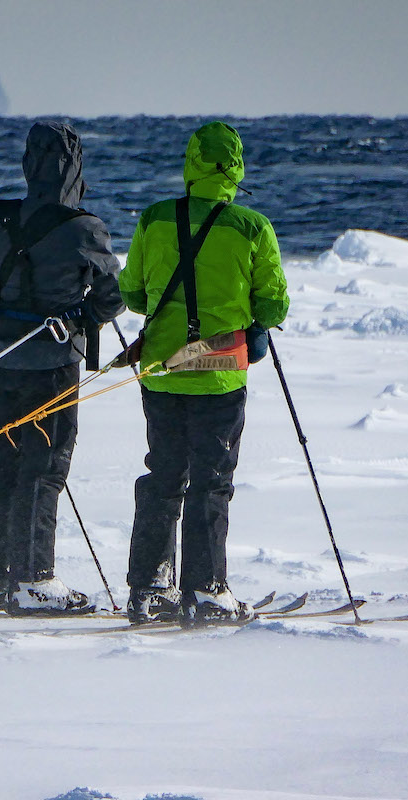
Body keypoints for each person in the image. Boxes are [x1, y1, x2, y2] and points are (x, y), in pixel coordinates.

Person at [0, 121, 123, 615]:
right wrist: (83, 317)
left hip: (2, 363)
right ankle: (33, 580)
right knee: (43, 470)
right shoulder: (85, 229)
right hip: (52, 366)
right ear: (74, 170)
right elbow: (115, 294)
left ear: (28, 165)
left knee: (5, 466)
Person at [118, 121, 289, 625]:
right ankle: (206, 590)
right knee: (211, 482)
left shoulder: (154, 218)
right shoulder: (252, 226)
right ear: (235, 168)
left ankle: (150, 588)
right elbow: (273, 306)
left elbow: (131, 293)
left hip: (161, 373)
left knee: (163, 475)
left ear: (191, 165)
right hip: (220, 376)